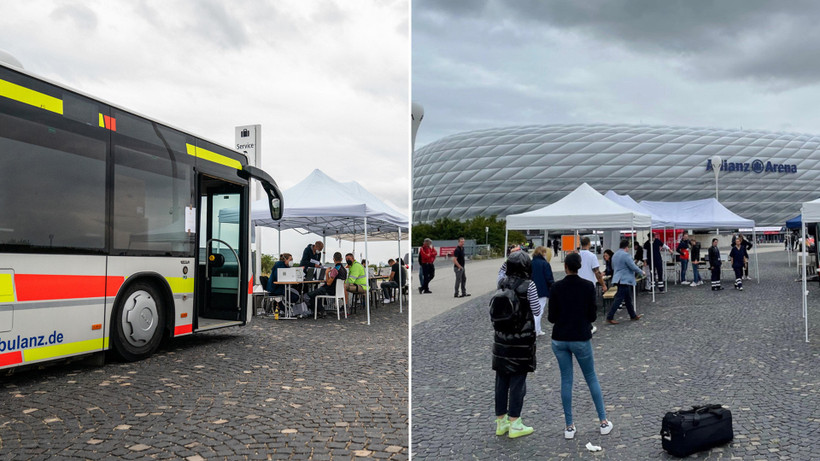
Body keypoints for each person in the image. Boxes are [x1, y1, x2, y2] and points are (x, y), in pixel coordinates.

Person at [548, 252, 613, 440]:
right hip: (580, 338)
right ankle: (603, 422)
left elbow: (551, 317)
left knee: (566, 380)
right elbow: (592, 317)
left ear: (566, 267)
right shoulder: (587, 287)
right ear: (579, 266)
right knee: (591, 377)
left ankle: (569, 426)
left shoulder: (556, 287)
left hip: (560, 338)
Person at [493, 251, 540, 439]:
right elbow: (536, 309)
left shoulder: (501, 283)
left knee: (501, 381)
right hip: (521, 339)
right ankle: (515, 423)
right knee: (518, 382)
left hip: (501, 338)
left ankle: (501, 421)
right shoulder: (530, 285)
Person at [605, 240, 644, 324]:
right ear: (626, 247)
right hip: (624, 279)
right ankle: (610, 316)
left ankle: (633, 315)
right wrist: (641, 272)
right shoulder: (626, 255)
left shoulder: (615, 255)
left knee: (627, 299)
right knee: (619, 299)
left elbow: (612, 266)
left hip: (618, 278)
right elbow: (632, 266)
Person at [303, 252, 347, 317]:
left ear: (333, 259)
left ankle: (317, 311)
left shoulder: (335, 270)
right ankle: (320, 310)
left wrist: (326, 273)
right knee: (317, 294)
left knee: (307, 296)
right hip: (337, 291)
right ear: (341, 259)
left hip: (329, 290)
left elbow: (329, 283)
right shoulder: (344, 270)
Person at [531, 246, 555, 337]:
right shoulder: (545, 264)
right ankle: (535, 330)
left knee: (533, 310)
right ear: (542, 253)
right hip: (542, 289)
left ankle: (538, 329)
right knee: (539, 311)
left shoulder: (530, 263)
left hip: (531, 290)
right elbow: (549, 278)